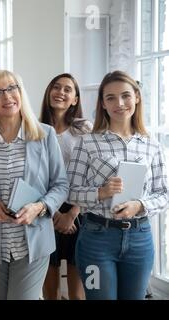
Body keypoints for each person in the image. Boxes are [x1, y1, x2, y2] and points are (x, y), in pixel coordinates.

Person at [67, 70, 168, 300]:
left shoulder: (152, 146)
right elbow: (70, 190)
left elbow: (164, 194)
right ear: (102, 103)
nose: (119, 103)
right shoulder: (87, 143)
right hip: (95, 241)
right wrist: (100, 192)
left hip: (140, 240)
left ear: (137, 98)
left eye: (125, 95)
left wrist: (140, 205)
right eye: (110, 97)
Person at [0, 70, 69, 300]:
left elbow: (60, 185)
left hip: (34, 242)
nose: (7, 97)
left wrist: (39, 207)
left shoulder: (44, 134)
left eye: (12, 88)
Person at [39, 73, 91, 300]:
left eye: (67, 89)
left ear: (75, 100)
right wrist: (53, 213)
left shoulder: (84, 131)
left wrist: (71, 214)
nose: (60, 92)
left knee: (77, 292)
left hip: (77, 210)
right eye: (56, 87)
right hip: (45, 209)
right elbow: (33, 175)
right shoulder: (35, 129)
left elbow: (91, 175)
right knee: (49, 289)